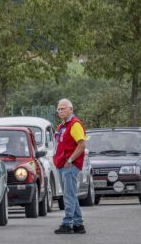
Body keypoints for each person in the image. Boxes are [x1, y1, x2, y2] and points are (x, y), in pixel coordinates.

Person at [53, 98, 87, 235]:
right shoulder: (62, 126)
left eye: (63, 108)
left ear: (71, 109)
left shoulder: (75, 124)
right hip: (62, 164)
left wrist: (70, 160)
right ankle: (78, 224)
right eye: (59, 109)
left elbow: (82, 145)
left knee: (68, 195)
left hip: (69, 165)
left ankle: (67, 224)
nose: (60, 111)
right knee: (71, 194)